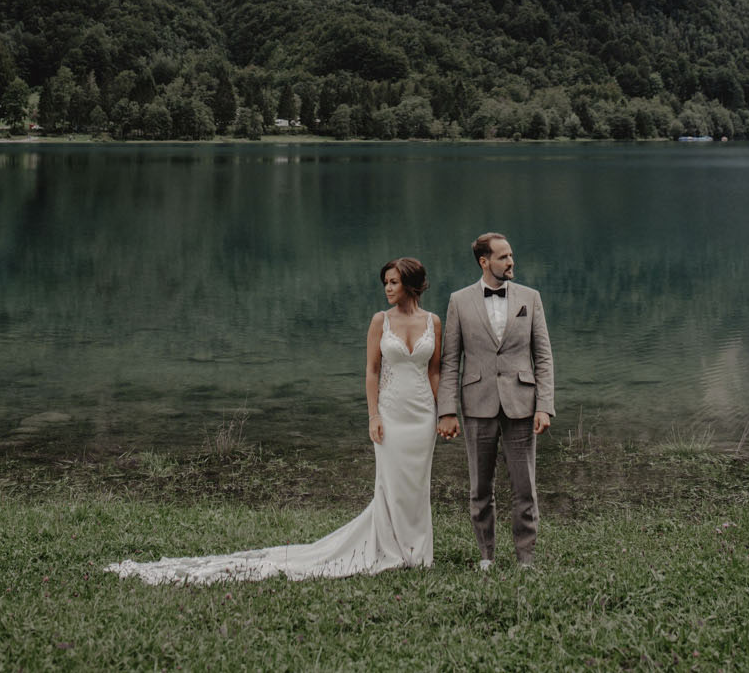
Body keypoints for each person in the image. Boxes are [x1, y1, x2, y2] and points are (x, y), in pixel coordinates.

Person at [105, 256, 441, 584]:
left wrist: (439, 412)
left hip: (422, 415)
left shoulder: (433, 322)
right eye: (386, 283)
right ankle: (390, 549)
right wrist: (373, 415)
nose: (387, 288)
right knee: (390, 484)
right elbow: (371, 371)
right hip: (391, 413)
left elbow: (435, 369)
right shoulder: (379, 321)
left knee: (417, 484)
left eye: (394, 282)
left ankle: (419, 551)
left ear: (411, 284)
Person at [436, 232, 554, 570]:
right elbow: (450, 360)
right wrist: (447, 410)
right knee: (479, 488)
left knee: (525, 487)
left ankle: (526, 559)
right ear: (483, 262)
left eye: (511, 255)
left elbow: (543, 356)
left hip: (521, 403)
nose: (511, 262)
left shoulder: (530, 298)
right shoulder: (459, 301)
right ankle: (486, 556)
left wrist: (544, 405)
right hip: (477, 403)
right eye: (503, 257)